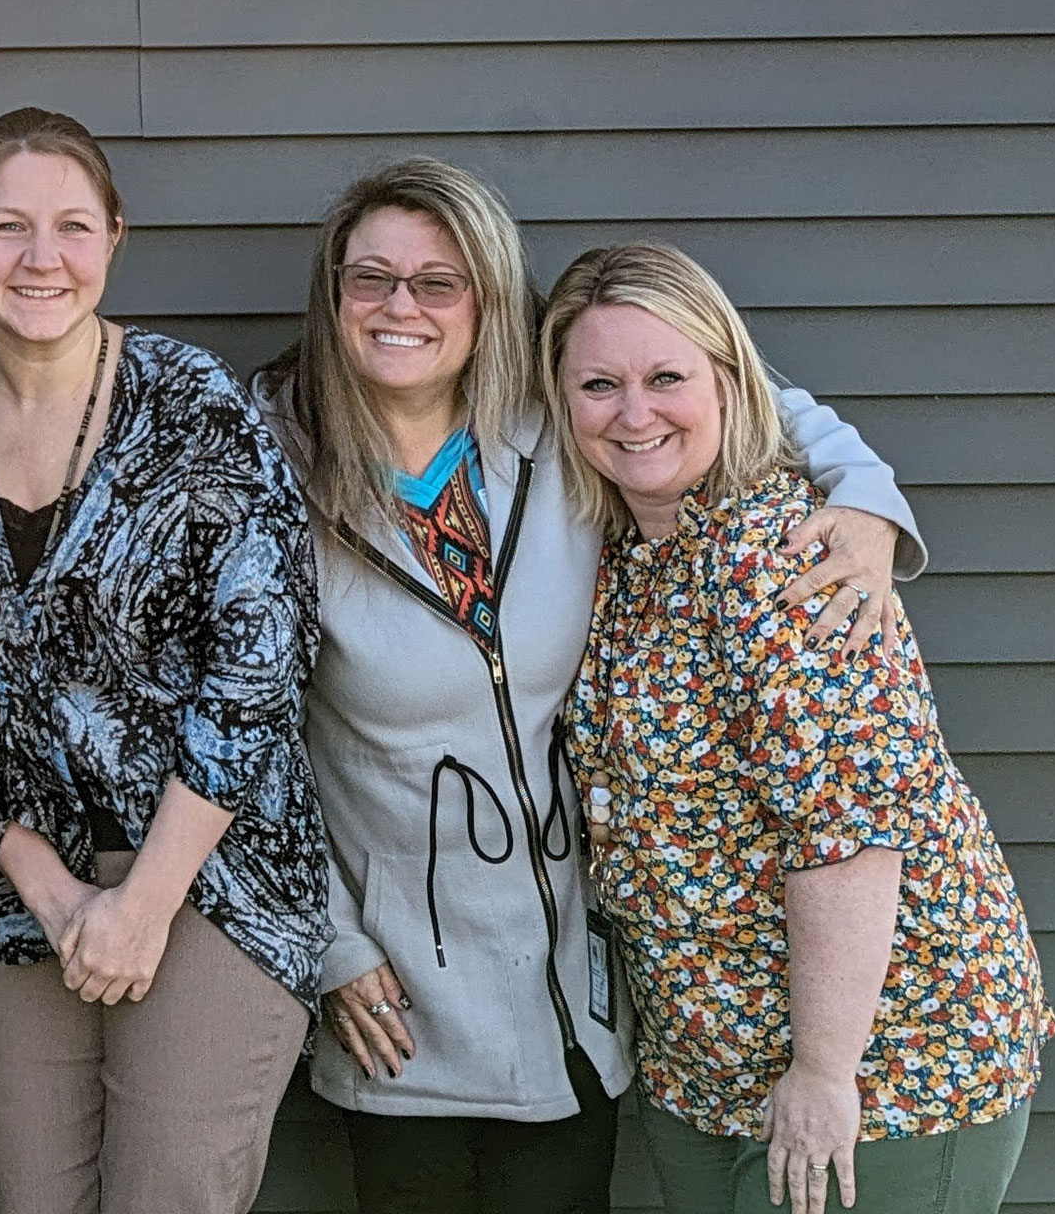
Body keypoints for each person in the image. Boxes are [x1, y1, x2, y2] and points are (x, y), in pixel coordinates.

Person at [261, 161, 928, 1214]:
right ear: (332, 294)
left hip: (575, 987)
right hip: (397, 990)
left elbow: (729, 386)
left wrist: (867, 494)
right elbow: (247, 729)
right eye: (371, 278)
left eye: (439, 282)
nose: (402, 306)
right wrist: (331, 936)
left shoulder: (557, 416)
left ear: (489, 301)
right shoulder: (268, 464)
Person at [551, 244, 1051, 1214]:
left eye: (667, 378)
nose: (634, 413)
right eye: (599, 385)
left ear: (733, 383)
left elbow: (847, 832)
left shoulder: (785, 556)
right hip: (710, 1068)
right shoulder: (629, 551)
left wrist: (825, 1072)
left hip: (885, 1071)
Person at [0, 106, 329, 1214]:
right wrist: (55, 896)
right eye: (8, 226)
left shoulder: (193, 407)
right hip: (25, 884)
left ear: (113, 236)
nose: (41, 257)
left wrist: (144, 901)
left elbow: (260, 662)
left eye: (72, 225)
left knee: (167, 1194)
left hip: (213, 873)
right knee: (26, 1196)